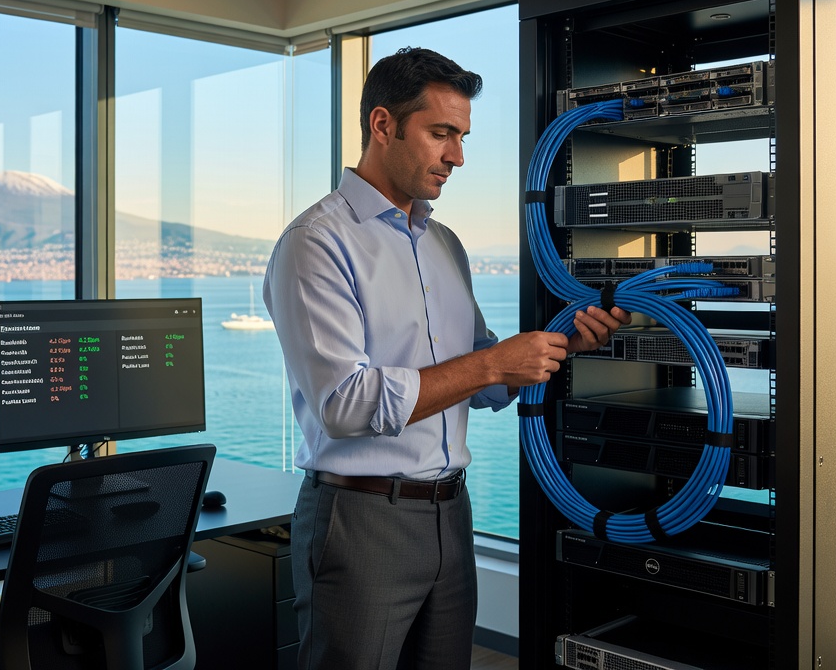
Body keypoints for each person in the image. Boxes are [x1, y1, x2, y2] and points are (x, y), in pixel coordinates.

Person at [262, 46, 630, 670]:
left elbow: (483, 380)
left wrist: (557, 348)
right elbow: (345, 406)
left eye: (460, 136)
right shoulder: (315, 244)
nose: (457, 156)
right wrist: (491, 366)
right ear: (383, 126)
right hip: (360, 522)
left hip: (449, 518)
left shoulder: (444, 243)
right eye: (440, 134)